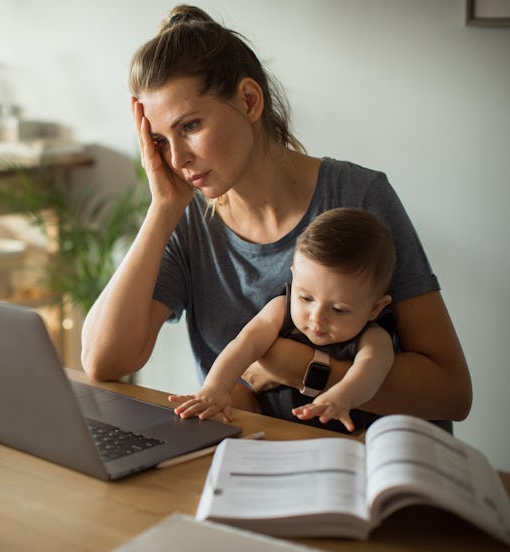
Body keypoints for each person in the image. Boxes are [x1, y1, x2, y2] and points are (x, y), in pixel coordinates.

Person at [80, 5, 471, 429]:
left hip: (369, 468)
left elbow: (451, 392)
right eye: (159, 140)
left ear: (249, 101)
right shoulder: (186, 217)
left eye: (190, 126)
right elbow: (103, 362)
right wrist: (162, 209)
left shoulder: (359, 195)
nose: (176, 159)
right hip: (252, 468)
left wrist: (295, 365)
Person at [170, 208, 397, 433]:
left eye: (339, 309)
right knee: (233, 400)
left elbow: (370, 373)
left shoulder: (374, 337)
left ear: (375, 308)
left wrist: (341, 397)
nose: (316, 317)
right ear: (293, 276)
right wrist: (215, 387)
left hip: (334, 436)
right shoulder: (281, 309)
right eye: (306, 297)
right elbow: (246, 342)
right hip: (267, 422)